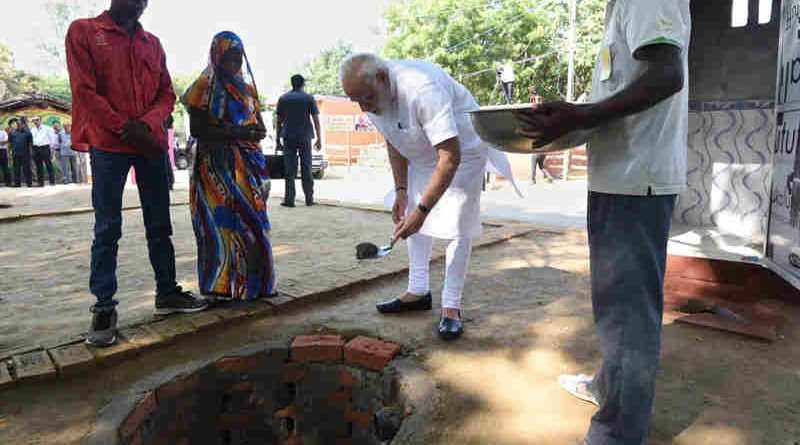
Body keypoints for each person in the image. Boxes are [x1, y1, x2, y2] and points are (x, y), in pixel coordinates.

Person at [515, 1, 690, 443]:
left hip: (636, 181)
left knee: (628, 315)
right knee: (616, 306)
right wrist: (578, 117)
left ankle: (618, 434)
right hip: (620, 177)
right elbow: (628, 91)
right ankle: (608, 388)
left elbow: (668, 74)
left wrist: (585, 115)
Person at [340, 54, 518, 340]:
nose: (364, 107)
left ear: (383, 79)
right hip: (421, 151)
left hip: (464, 150)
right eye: (356, 101)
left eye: (367, 98)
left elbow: (450, 157)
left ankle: (451, 307)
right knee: (410, 209)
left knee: (457, 223)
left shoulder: (422, 88)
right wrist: (401, 191)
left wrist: (422, 211)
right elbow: (393, 138)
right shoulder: (375, 97)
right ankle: (418, 291)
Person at [67, 0, 208, 348]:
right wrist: (124, 127)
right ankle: (103, 307)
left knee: (160, 223)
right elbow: (85, 92)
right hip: (108, 145)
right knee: (107, 227)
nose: (142, 2)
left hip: (150, 144)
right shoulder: (84, 32)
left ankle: (167, 292)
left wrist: (144, 126)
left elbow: (166, 93)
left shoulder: (152, 43)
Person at [182, 31, 276, 302]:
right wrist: (240, 133)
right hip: (215, 169)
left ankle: (255, 285)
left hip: (248, 166)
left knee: (253, 224)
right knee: (219, 227)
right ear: (216, 56)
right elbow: (199, 130)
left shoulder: (248, 89)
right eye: (229, 57)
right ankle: (220, 287)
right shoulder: (202, 88)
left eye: (238, 57)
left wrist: (256, 131)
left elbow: (258, 124)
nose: (235, 63)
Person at [276, 74, 322, 207]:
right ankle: (309, 199)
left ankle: (289, 200)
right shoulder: (308, 98)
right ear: (303, 84)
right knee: (306, 167)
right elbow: (316, 120)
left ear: (292, 84)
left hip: (288, 136)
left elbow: (279, 122)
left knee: (289, 169)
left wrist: (277, 141)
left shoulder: (283, 98)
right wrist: (319, 138)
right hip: (305, 136)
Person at [30, 116, 57, 186]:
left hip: (45, 148)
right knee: (38, 166)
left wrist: (51, 149)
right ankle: (40, 182)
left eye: (37, 120)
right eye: (34, 120)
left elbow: (52, 139)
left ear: (41, 120)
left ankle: (52, 181)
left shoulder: (47, 128)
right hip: (36, 148)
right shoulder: (32, 129)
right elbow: (32, 140)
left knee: (48, 165)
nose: (35, 122)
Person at [9, 118, 33, 188]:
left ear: (23, 124)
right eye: (17, 124)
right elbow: (10, 143)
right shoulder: (12, 132)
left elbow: (30, 143)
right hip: (15, 154)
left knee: (27, 169)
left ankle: (29, 183)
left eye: (20, 124)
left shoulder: (28, 132)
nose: (18, 125)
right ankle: (17, 184)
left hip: (25, 154)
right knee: (16, 170)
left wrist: (31, 153)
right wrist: (9, 153)